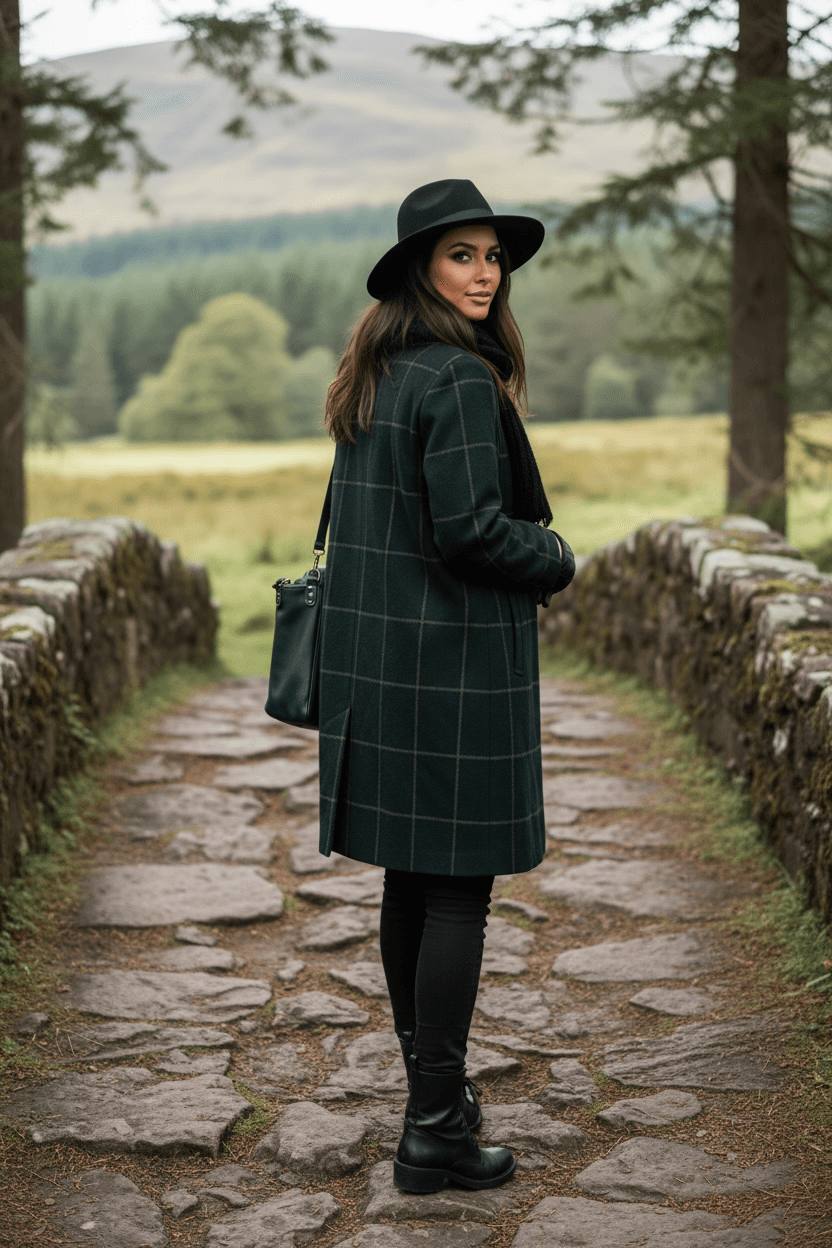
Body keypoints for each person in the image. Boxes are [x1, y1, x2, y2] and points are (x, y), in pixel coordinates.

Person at [317, 179, 575, 1195]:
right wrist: (550, 555)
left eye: (492, 257)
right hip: (454, 671)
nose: (482, 274)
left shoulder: (377, 373)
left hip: (378, 670)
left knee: (409, 884)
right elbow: (470, 529)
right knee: (456, 894)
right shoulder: (460, 383)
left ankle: (435, 1105)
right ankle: (434, 1126)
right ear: (422, 266)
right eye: (460, 255)